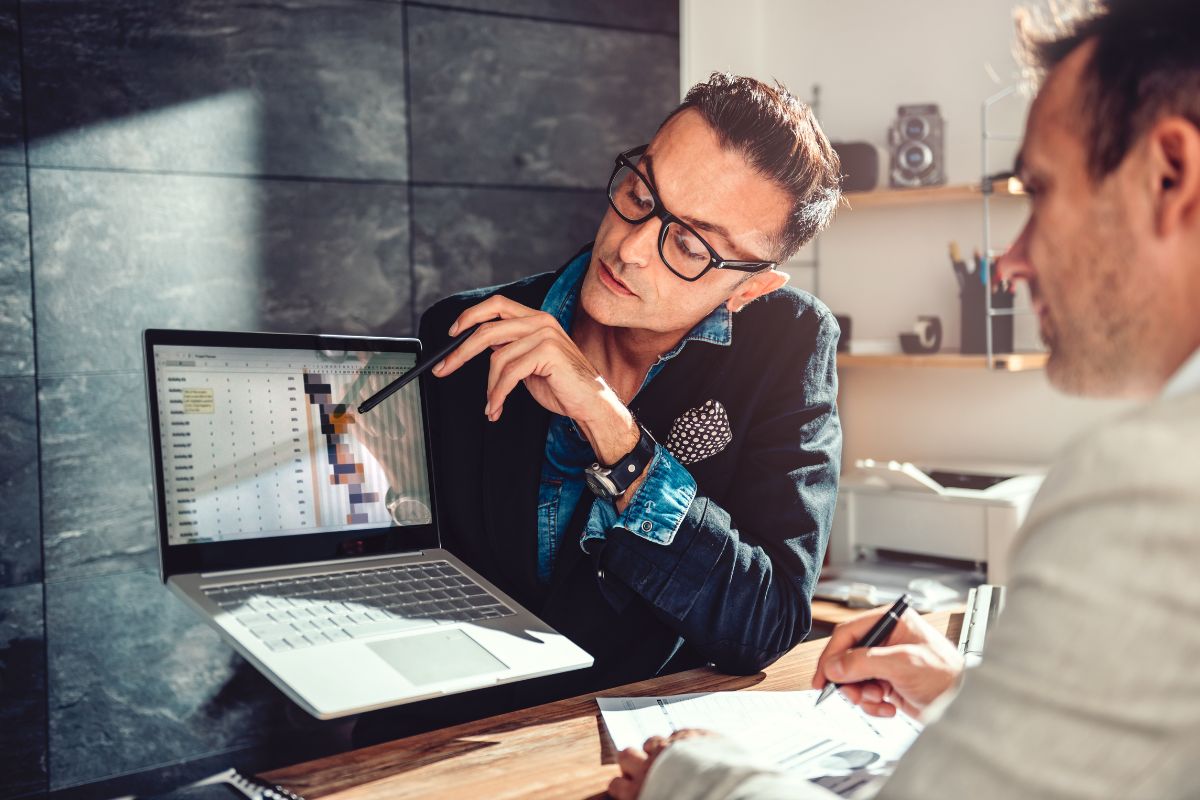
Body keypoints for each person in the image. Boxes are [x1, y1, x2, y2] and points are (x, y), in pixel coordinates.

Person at [609, 1, 1200, 797]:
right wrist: (968, 698)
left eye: (1042, 192)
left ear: (1171, 176)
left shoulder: (1156, 484)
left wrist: (690, 777)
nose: (1010, 263)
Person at [368, 74, 845, 733]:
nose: (627, 247)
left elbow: (766, 625)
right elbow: (396, 571)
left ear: (750, 288)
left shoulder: (789, 341)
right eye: (639, 195)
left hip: (624, 751)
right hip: (445, 744)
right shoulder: (465, 330)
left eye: (687, 245)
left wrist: (610, 427)